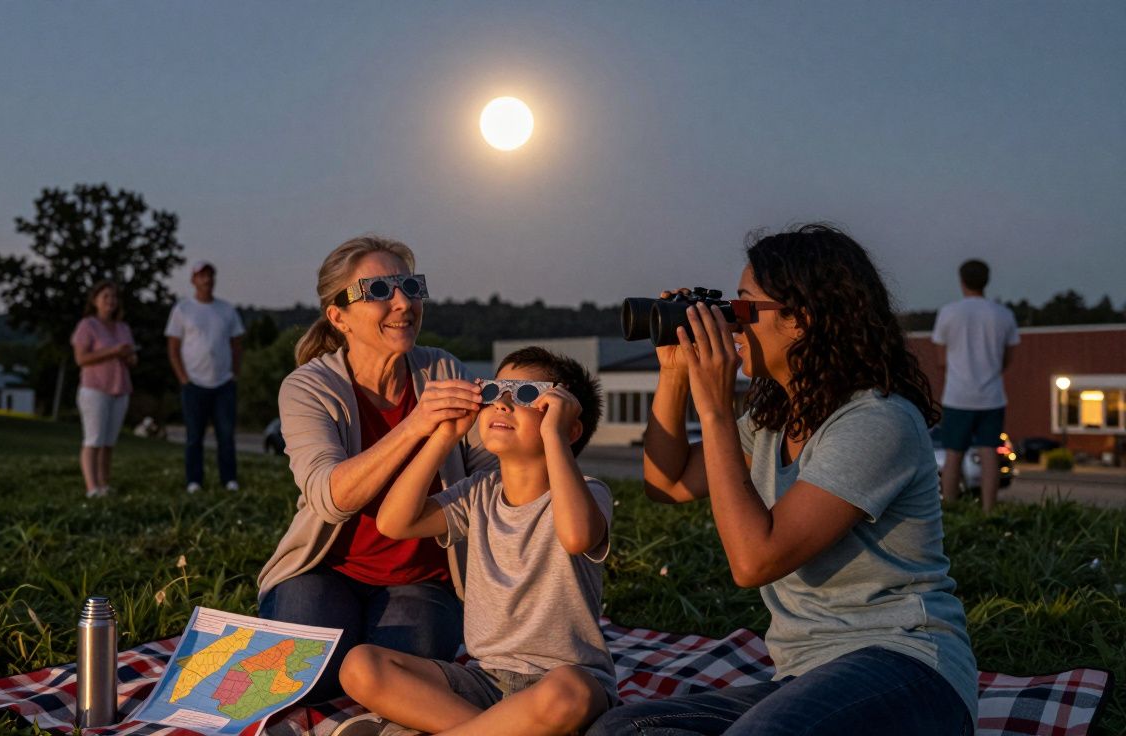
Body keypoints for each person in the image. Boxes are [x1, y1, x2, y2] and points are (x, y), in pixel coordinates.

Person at [589, 225, 977, 736]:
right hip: (804, 673)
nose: (730, 324)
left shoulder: (878, 421)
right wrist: (676, 375)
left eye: (743, 307)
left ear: (800, 319)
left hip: (904, 664)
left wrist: (716, 410)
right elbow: (668, 484)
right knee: (622, 728)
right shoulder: (773, 421)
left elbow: (755, 560)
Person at [255, 235, 496, 703]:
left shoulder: (444, 371)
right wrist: (416, 425)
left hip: (420, 578)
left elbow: (490, 479)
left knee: (402, 686)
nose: (403, 303)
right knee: (301, 684)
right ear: (338, 316)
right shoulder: (308, 387)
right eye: (380, 290)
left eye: (411, 286)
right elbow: (330, 498)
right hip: (325, 569)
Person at [336, 347, 614, 736]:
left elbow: (576, 536)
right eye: (494, 390)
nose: (502, 403)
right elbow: (393, 522)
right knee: (360, 666)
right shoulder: (478, 492)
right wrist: (444, 437)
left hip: (561, 679)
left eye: (527, 395)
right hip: (485, 680)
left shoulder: (587, 491)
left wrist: (555, 436)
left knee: (572, 693)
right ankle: (506, 730)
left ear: (568, 427)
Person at [932, 259, 1020, 513]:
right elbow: (1007, 359)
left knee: (953, 454)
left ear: (962, 281)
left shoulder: (949, 313)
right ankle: (988, 510)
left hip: (958, 397)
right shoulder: (1003, 315)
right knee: (990, 452)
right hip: (992, 397)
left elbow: (941, 360)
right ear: (987, 281)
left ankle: (950, 509)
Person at [165, 260, 245, 493]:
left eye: (209, 275)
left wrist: (234, 374)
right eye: (201, 276)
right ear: (193, 280)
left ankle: (229, 480)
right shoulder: (182, 310)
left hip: (223, 383)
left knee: (226, 435)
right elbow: (173, 348)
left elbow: (237, 344)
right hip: (194, 384)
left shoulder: (226, 310)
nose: (206, 280)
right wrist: (183, 378)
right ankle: (194, 481)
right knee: (194, 436)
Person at [71, 280, 136, 498]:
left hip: (120, 388)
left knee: (109, 442)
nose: (110, 301)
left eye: (114, 297)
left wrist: (128, 356)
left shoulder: (123, 328)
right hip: (95, 388)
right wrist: (113, 351)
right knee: (94, 439)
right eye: (105, 296)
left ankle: (104, 485)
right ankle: (92, 488)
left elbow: (132, 358)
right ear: (95, 301)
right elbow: (81, 358)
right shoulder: (87, 326)